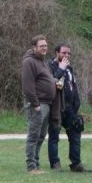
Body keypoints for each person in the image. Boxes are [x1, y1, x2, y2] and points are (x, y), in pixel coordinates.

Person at [21, 35, 62, 174]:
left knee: (41, 135)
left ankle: (36, 164)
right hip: (38, 105)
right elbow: (28, 85)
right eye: (41, 46)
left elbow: (47, 79)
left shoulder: (42, 62)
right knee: (34, 135)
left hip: (47, 104)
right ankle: (31, 166)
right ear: (34, 47)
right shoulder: (29, 62)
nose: (44, 48)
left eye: (45, 45)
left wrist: (55, 82)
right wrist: (35, 104)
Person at [47, 43, 89, 172]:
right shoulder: (49, 67)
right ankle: (55, 163)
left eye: (68, 53)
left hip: (70, 108)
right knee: (54, 135)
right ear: (57, 53)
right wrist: (61, 68)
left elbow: (73, 85)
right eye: (64, 53)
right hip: (57, 107)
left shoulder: (70, 68)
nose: (66, 55)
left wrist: (77, 103)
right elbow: (51, 83)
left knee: (76, 132)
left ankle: (76, 163)